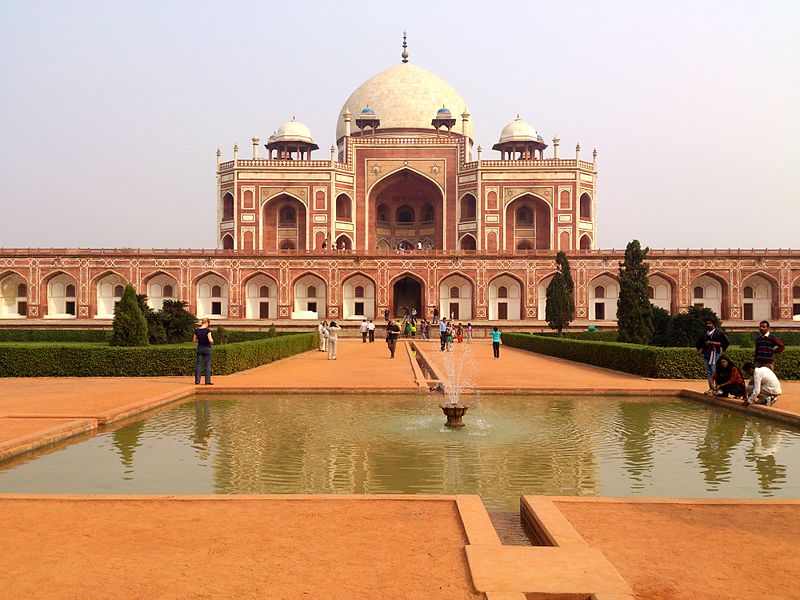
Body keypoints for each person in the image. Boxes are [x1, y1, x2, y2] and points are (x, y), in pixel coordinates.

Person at [695, 318, 729, 392]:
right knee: (709, 372)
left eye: (710, 323)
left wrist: (711, 342)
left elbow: (723, 343)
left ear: (714, 324)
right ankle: (711, 388)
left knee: (715, 372)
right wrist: (698, 353)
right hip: (707, 354)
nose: (708, 325)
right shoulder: (705, 333)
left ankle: (717, 388)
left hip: (715, 354)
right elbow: (702, 345)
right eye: (707, 323)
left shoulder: (719, 332)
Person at [193, 318, 214, 385]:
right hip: (207, 348)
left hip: (200, 348)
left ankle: (197, 381)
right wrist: (212, 342)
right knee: (207, 365)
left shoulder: (197, 330)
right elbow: (210, 340)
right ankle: (207, 381)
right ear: (207, 323)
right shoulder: (207, 331)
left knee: (198, 365)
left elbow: (194, 340)